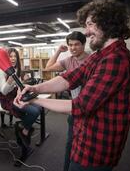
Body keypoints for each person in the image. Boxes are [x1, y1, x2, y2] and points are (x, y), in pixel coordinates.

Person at [15, 0, 130, 171]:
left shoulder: (116, 59)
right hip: (84, 137)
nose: (86, 32)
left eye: (89, 24)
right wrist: (35, 88)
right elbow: (69, 78)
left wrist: (33, 99)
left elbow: (81, 106)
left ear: (107, 22)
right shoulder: (99, 55)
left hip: (97, 149)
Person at [45, 31, 90, 171]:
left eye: (76, 44)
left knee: (88, 145)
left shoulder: (92, 59)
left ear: (83, 44)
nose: (73, 48)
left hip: (90, 108)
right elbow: (48, 67)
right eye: (70, 45)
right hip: (74, 109)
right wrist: (58, 51)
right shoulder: (68, 60)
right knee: (70, 143)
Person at [0, 47, 41, 166]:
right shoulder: (1, 71)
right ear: (5, 58)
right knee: (33, 112)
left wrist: (23, 83)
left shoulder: (15, 69)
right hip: (7, 100)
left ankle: (22, 128)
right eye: (10, 56)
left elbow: (18, 87)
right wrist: (11, 80)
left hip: (17, 96)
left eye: (15, 57)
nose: (13, 59)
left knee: (39, 108)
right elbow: (4, 91)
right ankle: (23, 129)